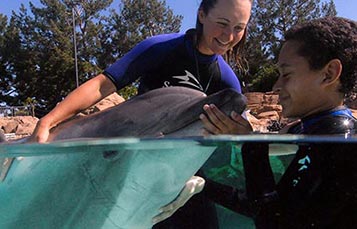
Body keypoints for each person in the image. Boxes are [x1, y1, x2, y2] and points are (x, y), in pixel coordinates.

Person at [30, 0, 253, 227]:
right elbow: (102, 86)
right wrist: (48, 121)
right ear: (202, 15)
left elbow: (241, 128)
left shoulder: (226, 80)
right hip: (131, 161)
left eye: (239, 28)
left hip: (180, 177)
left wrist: (242, 134)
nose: (229, 35)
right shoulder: (161, 48)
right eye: (223, 23)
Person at [157, 17, 357, 228]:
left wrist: (252, 146)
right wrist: (203, 186)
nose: (276, 86)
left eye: (286, 74)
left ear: (329, 74)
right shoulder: (312, 129)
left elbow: (273, 221)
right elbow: (265, 206)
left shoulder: (339, 144)